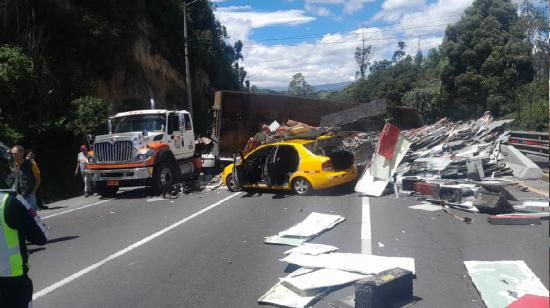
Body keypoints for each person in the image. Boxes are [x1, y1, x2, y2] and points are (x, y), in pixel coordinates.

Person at [0, 142, 48, 307]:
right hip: (12, 279)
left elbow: (36, 178)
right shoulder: (8, 203)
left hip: (26, 195)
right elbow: (41, 237)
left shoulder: (29, 164)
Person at [11, 145, 41, 211]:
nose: (14, 156)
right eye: (12, 154)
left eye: (15, 154)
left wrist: (33, 193)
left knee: (31, 219)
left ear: (22, 153)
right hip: (16, 197)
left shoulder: (31, 163)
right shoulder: (11, 165)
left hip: (29, 196)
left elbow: (38, 179)